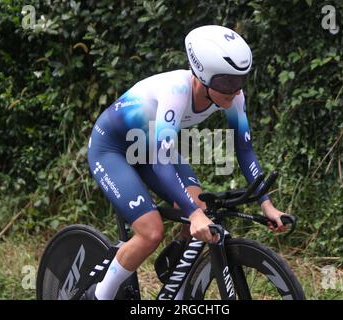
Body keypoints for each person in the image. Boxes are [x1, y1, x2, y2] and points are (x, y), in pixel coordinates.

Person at [84, 25, 287, 300]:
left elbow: (244, 149)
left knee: (203, 210)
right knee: (151, 232)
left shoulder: (233, 95)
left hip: (151, 148)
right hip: (112, 148)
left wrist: (267, 204)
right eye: (227, 82)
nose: (235, 89)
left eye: (240, 80)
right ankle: (99, 297)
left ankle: (175, 288)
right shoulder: (176, 92)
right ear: (202, 76)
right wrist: (192, 214)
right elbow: (161, 162)